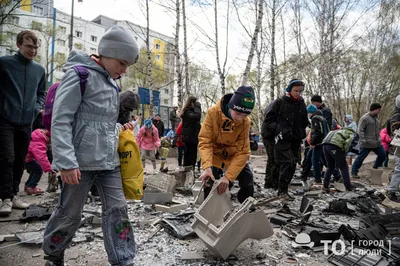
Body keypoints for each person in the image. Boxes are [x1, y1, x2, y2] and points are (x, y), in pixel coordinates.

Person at [42, 25, 139, 266]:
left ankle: (123, 259)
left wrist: (118, 130)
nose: (124, 70)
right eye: (122, 63)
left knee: (118, 210)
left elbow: (101, 124)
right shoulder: (78, 75)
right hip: (80, 163)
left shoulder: (112, 82)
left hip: (109, 162)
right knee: (70, 213)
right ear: (107, 53)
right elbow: (61, 120)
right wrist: (65, 161)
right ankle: (53, 254)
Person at [0, 30, 46, 215]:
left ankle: (13, 195)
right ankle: (5, 198)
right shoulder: (4, 63)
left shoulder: (39, 70)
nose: (32, 51)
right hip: (4, 119)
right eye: (29, 46)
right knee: (6, 158)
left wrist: (36, 109)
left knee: (20, 159)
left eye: (35, 48)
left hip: (26, 122)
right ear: (19, 45)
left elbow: (41, 93)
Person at [199, 86, 255, 203]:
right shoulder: (213, 113)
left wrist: (228, 177)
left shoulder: (245, 122)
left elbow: (243, 152)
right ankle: (208, 210)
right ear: (231, 106)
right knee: (209, 181)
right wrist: (207, 167)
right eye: (238, 113)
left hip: (233, 155)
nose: (240, 119)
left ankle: (246, 209)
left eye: (245, 115)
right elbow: (205, 142)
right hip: (215, 154)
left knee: (248, 179)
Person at [264, 79, 308, 200]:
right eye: (295, 91)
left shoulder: (301, 103)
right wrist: (279, 130)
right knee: (286, 163)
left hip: (296, 138)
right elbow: (268, 121)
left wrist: (301, 131)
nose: (298, 93)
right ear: (289, 90)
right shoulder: (280, 102)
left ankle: (284, 189)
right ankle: (281, 190)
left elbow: (304, 120)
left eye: (300, 91)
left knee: (294, 163)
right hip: (282, 139)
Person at [351, 103, 386, 178]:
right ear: (374, 109)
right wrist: (363, 140)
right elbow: (360, 130)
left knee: (383, 154)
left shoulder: (376, 118)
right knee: (361, 158)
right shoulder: (365, 118)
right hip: (367, 143)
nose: (379, 111)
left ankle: (376, 168)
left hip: (377, 142)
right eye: (378, 109)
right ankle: (354, 171)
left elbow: (376, 130)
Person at [322, 127, 358, 192]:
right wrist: (344, 153)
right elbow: (348, 143)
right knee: (344, 166)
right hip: (334, 145)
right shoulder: (352, 134)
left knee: (330, 166)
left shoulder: (339, 131)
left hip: (325, 145)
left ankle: (325, 186)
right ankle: (348, 187)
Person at [24, 128, 54, 195]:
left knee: (35, 168)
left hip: (26, 158)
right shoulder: (39, 142)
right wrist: (49, 168)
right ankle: (31, 186)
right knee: (39, 169)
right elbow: (42, 157)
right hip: (26, 159)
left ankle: (28, 185)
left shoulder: (37, 136)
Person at [307, 104, 330, 184]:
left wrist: (313, 142)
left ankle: (318, 179)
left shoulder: (315, 119)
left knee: (315, 160)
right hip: (324, 142)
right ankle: (337, 176)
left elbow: (317, 132)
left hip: (318, 143)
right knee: (325, 161)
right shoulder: (323, 118)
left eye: (308, 113)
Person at [261, 100, 279, 189]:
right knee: (272, 159)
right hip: (269, 136)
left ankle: (270, 181)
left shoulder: (271, 109)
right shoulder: (273, 112)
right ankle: (270, 182)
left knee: (273, 159)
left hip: (268, 136)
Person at [181, 96, 202, 169]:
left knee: (193, 156)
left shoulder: (189, 111)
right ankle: (187, 171)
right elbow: (197, 116)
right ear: (192, 103)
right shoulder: (188, 111)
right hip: (189, 137)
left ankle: (190, 170)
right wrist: (198, 106)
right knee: (189, 156)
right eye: (196, 102)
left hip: (192, 137)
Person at [386, 95, 400, 202]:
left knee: (398, 168)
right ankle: (392, 190)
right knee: (399, 168)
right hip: (398, 145)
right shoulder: (396, 117)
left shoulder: (394, 116)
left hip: (397, 145)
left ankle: (393, 189)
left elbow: (390, 131)